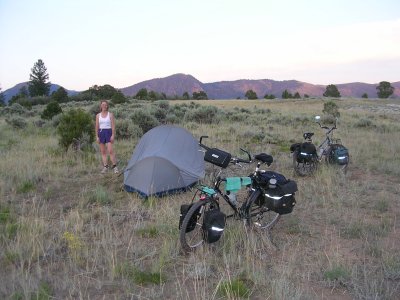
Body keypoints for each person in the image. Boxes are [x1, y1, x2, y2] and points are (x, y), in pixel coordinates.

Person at [95, 100, 118, 174]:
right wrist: (97, 136)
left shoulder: (110, 115)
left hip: (108, 132)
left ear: (107, 106)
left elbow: (113, 126)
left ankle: (115, 167)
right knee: (103, 152)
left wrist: (113, 135)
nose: (104, 106)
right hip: (101, 133)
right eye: (103, 104)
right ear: (101, 106)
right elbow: (97, 127)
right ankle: (105, 167)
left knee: (110, 151)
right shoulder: (98, 115)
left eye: (105, 105)